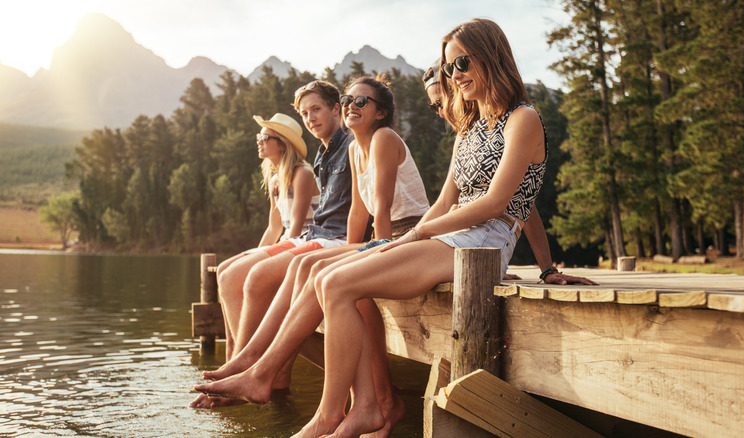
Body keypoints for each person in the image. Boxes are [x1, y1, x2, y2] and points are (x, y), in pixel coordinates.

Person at [286, 18, 564, 437]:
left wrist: (417, 234)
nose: (456, 75)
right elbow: (443, 202)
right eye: (450, 68)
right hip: (452, 235)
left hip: (487, 240)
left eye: (464, 63)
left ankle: (329, 417)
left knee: (339, 285)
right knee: (329, 279)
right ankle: (363, 407)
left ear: (493, 56)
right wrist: (401, 240)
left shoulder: (523, 120)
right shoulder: (468, 129)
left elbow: (495, 203)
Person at [192, 77, 428, 436]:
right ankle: (257, 366)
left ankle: (262, 369)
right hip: (381, 238)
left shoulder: (382, 138)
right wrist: (352, 254)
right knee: (309, 266)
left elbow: (381, 213)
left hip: (401, 236)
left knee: (312, 268)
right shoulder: (352, 149)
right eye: (349, 99)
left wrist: (361, 257)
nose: (352, 105)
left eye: (360, 102)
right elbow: (356, 216)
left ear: (380, 113)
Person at [423, 60, 596, 286]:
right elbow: (445, 202)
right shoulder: (469, 133)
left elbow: (524, 204)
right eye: (433, 106)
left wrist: (546, 268)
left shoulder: (506, 125)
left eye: (441, 101)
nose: (441, 112)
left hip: (476, 243)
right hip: (459, 241)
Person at [215, 113, 319, 361]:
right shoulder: (275, 179)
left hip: (307, 241)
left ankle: (245, 358)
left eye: (264, 137)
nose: (258, 141)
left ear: (282, 143)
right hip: (289, 240)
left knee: (232, 275)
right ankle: (233, 352)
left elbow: (295, 228)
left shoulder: (302, 173)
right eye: (258, 136)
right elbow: (274, 228)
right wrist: (255, 256)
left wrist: (262, 263)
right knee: (224, 270)